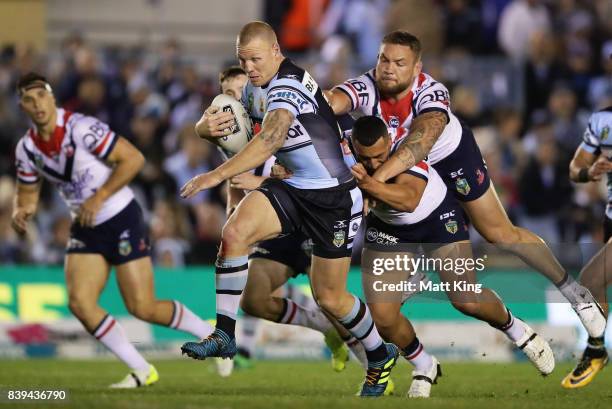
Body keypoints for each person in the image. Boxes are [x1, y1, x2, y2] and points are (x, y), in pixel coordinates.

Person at [324, 30, 606, 340]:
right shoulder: (366, 86)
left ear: (417, 67)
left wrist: (373, 182)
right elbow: (330, 101)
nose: (389, 68)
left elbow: (422, 141)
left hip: (449, 158)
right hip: (397, 163)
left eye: (399, 63)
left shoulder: (431, 92)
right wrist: (302, 99)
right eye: (384, 60)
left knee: (499, 233)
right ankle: (414, 264)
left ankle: (573, 290)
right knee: (397, 207)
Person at [179, 21, 398, 397]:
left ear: (277, 51)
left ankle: (379, 355)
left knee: (330, 297)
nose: (249, 67)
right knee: (234, 233)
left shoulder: (287, 87)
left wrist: (215, 175)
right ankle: (225, 335)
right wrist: (203, 129)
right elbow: (227, 122)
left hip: (334, 198)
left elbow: (271, 136)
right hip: (295, 187)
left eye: (256, 58)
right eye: (243, 59)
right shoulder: (255, 87)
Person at [11, 73, 215, 388]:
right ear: (22, 106)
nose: (37, 104)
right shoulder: (27, 149)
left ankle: (210, 335)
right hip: (86, 223)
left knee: (142, 307)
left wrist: (99, 196)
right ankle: (142, 370)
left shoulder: (80, 128)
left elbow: (133, 159)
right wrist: (21, 210)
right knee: (79, 302)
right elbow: (27, 190)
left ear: (52, 98)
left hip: (120, 216)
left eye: (41, 95)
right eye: (28, 98)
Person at [351, 116, 554, 397]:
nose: (373, 164)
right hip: (388, 228)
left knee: (466, 300)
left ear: (389, 140)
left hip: (435, 217)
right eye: (366, 158)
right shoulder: (343, 147)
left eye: (379, 156)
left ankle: (517, 330)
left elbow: (409, 200)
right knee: (383, 318)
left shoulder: (409, 145)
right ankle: (424, 364)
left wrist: (368, 186)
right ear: (352, 145)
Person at [216, 66, 360, 375]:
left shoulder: (291, 109)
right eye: (229, 94)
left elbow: (332, 163)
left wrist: (265, 180)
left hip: (315, 214)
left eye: (241, 91)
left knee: (329, 298)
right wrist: (234, 211)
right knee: (253, 299)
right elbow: (236, 182)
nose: (237, 99)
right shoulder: (236, 135)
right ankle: (324, 329)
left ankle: (372, 367)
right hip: (277, 225)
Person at [564, 106, 612, 388]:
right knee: (594, 282)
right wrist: (589, 171)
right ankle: (596, 349)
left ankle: (596, 349)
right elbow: (574, 168)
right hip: (609, 218)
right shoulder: (602, 119)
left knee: (592, 278)